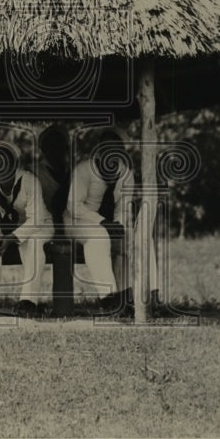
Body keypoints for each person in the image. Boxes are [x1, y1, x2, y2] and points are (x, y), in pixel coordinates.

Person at [64, 127, 145, 315]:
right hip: (77, 222)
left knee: (126, 241)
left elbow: (123, 207)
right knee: (99, 235)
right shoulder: (84, 170)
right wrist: (102, 222)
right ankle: (108, 299)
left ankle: (126, 298)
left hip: (108, 224)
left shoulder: (126, 175)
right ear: (99, 148)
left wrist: (119, 226)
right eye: (106, 147)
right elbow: (73, 205)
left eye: (116, 148)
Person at [0, 140, 54, 317]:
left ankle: (28, 302)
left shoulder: (29, 181)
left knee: (34, 243)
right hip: (9, 228)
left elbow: (36, 219)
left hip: (40, 225)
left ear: (14, 163)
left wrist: (10, 238)